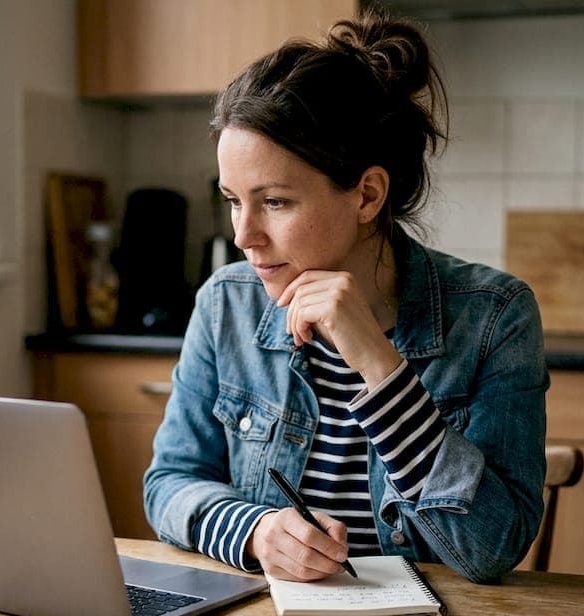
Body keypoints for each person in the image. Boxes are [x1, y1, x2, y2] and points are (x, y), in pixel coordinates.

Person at [141, 10, 548, 585]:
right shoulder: (224, 305)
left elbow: (492, 548)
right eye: (233, 200)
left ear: (367, 195)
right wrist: (253, 532)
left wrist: (380, 368)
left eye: (275, 202)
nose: (243, 235)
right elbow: (169, 484)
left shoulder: (494, 317)